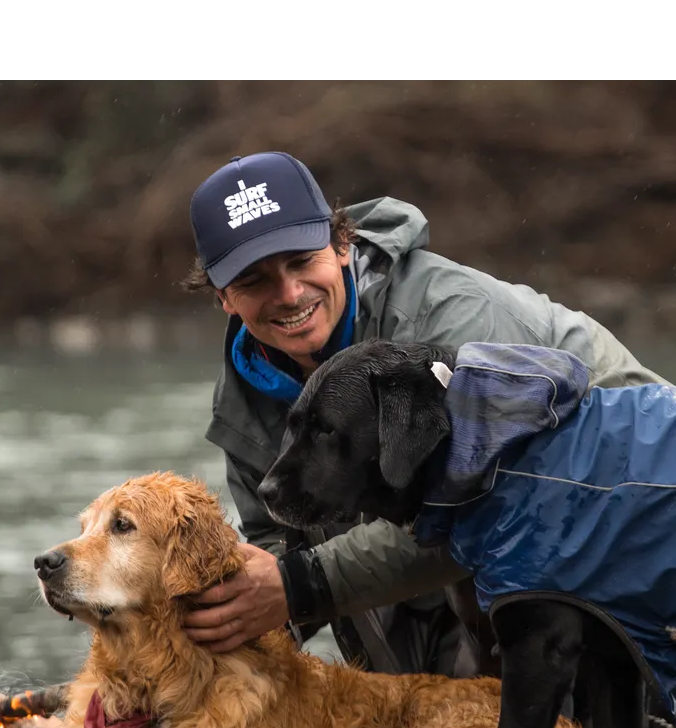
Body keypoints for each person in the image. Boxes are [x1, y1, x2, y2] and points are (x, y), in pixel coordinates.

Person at [178, 150, 667, 681]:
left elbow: (492, 509)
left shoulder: (451, 318)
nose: (290, 293)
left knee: (325, 576)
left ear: (343, 243)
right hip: (481, 563)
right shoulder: (245, 394)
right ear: (223, 297)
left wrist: (301, 584)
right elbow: (272, 555)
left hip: (622, 529)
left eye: (301, 261)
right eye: (254, 281)